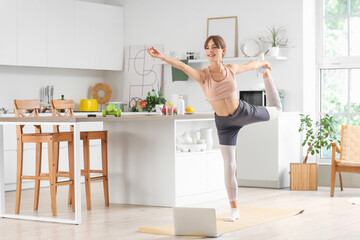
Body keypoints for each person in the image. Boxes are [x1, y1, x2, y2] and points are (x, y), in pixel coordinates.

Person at [147, 35, 282, 222]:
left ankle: (267, 77)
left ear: (223, 51)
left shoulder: (231, 69)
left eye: (214, 47)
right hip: (225, 124)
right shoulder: (203, 76)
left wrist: (263, 65)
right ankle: (234, 210)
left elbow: (250, 65)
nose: (210, 51)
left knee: (277, 110)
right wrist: (162, 57)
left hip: (242, 111)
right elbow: (183, 66)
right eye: (207, 48)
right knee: (229, 165)